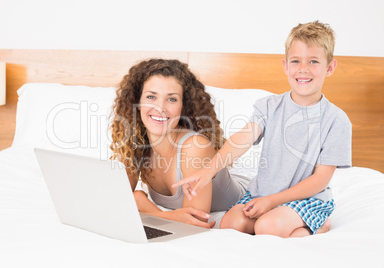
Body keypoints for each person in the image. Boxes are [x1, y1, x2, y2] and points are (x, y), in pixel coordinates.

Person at [173, 21, 352, 237]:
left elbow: (320, 179)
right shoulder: (269, 106)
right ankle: (294, 227)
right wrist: (209, 170)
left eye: (313, 61)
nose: (303, 69)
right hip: (263, 193)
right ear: (286, 66)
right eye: (296, 61)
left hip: (307, 198)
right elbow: (243, 139)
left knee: (267, 227)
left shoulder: (336, 120)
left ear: (330, 67)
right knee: (231, 224)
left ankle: (317, 224)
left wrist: (272, 202)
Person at [109, 59, 246, 228]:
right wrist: (155, 209)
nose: (160, 107)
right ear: (137, 103)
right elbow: (118, 199)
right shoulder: (135, 143)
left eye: (172, 99)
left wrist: (144, 205)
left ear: (183, 106)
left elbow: (196, 223)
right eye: (151, 97)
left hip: (244, 201)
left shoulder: (195, 147)